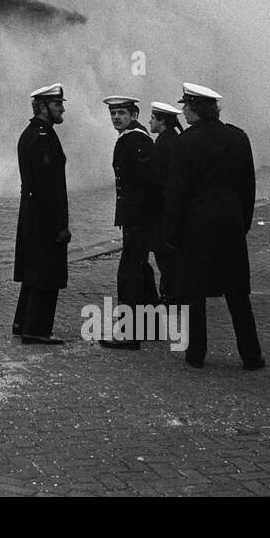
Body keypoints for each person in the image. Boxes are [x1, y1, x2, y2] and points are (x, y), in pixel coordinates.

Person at [163, 82, 265, 370]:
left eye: (185, 106)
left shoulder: (184, 143)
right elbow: (248, 187)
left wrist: (170, 232)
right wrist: (241, 222)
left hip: (195, 226)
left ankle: (196, 354)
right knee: (237, 292)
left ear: (195, 109)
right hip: (230, 223)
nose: (182, 111)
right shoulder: (238, 138)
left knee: (195, 292)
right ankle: (251, 355)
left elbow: (176, 193)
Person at [12, 82, 71, 345]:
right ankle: (36, 330)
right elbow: (49, 187)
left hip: (32, 214)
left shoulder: (31, 133)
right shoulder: (43, 138)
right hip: (44, 218)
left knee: (34, 272)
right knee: (46, 274)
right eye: (58, 105)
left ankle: (22, 322)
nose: (62, 110)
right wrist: (59, 225)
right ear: (43, 108)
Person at [100, 96, 159, 350]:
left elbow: (145, 183)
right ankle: (153, 326)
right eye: (113, 114)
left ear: (134, 115)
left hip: (138, 216)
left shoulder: (135, 140)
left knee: (129, 273)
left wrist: (135, 216)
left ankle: (129, 333)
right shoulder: (136, 138)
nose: (116, 118)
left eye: (122, 113)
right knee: (141, 269)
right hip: (138, 216)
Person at [147, 101, 184, 305]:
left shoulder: (162, 144)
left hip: (163, 211)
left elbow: (160, 180)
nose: (150, 121)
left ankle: (171, 295)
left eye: (153, 118)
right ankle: (173, 293)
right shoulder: (174, 139)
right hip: (170, 209)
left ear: (161, 121)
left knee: (165, 254)